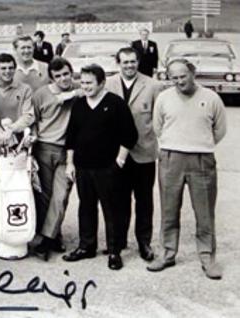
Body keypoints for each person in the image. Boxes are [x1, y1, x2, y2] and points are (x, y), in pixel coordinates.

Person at [147, 59, 227, 280]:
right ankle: (167, 253)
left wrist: (200, 145)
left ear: (193, 73)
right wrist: (174, 146)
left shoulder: (211, 98)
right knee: (169, 210)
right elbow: (158, 127)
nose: (179, 81)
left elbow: (219, 130)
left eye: (183, 76)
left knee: (204, 213)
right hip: (171, 158)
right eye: (174, 77)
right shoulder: (164, 98)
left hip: (201, 159)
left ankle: (207, 257)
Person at [63, 64, 137, 270]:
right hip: (83, 168)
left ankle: (114, 251)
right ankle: (86, 247)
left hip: (108, 168)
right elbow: (71, 136)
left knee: (112, 211)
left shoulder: (116, 104)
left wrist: (119, 162)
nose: (85, 87)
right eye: (83, 82)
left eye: (90, 83)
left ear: (102, 83)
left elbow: (130, 135)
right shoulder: (79, 105)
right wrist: (70, 163)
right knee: (86, 208)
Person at [105, 47, 164, 261]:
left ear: (138, 62)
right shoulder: (108, 84)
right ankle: (118, 242)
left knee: (144, 200)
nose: (129, 66)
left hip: (144, 153)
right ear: (117, 63)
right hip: (117, 155)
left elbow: (160, 119)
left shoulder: (153, 85)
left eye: (133, 62)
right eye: (125, 62)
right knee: (118, 200)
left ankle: (144, 243)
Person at [0, 53, 35, 248]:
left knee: (15, 189)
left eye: (11, 67)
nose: (8, 72)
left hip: (17, 146)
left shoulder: (24, 89)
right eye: (3, 68)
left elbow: (28, 116)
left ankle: (16, 230)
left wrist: (11, 129)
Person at [31, 57, 80, 261]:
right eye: (58, 76)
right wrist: (31, 151)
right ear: (51, 77)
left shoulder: (79, 90)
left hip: (68, 151)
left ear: (71, 73)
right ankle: (55, 235)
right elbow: (33, 121)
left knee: (61, 197)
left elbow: (90, 90)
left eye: (66, 74)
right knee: (45, 198)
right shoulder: (41, 94)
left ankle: (45, 239)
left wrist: (71, 94)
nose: (63, 79)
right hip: (44, 147)